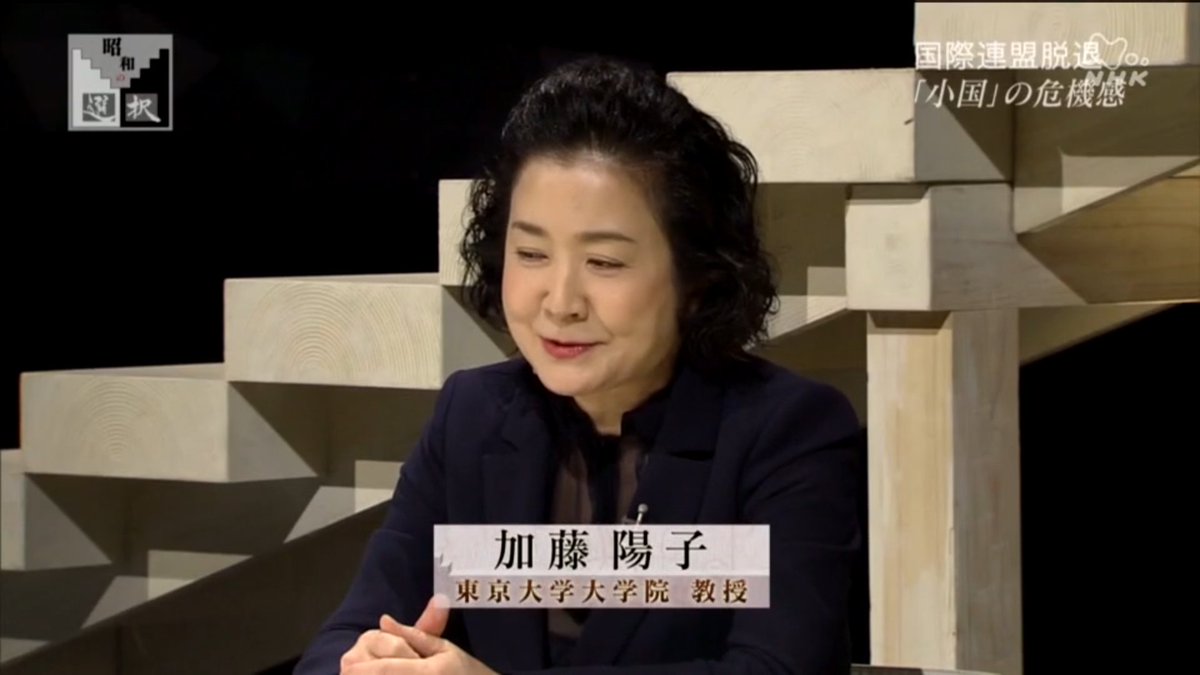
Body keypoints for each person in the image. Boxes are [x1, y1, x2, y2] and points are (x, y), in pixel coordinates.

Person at [294, 54, 865, 675]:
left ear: (698, 278)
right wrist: (366, 664)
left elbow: (776, 668)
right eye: (531, 253)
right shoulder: (474, 416)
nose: (560, 302)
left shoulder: (785, 432)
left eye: (604, 263)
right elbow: (346, 636)